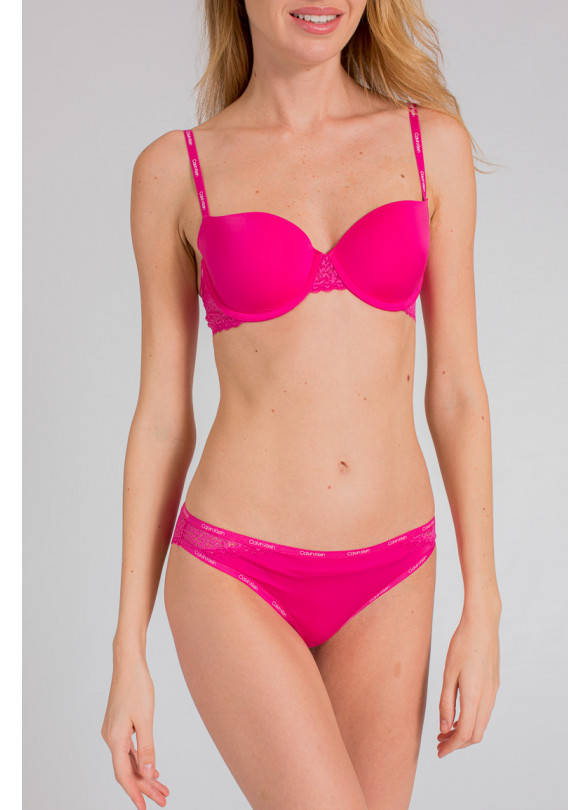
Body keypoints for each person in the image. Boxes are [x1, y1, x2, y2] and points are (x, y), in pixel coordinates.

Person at [101, 1, 502, 808]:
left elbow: (458, 389)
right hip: (234, 571)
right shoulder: (175, 170)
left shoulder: (432, 147)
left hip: (394, 572)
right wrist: (127, 654)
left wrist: (483, 604)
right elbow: (162, 420)